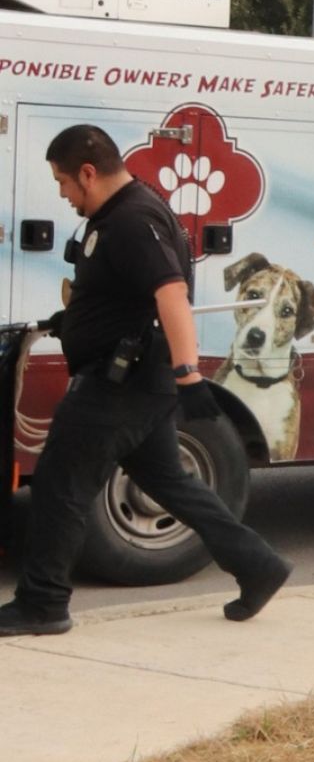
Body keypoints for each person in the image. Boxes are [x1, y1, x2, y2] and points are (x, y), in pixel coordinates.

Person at [0, 125, 291, 637]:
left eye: (64, 182)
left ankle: (43, 604)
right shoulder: (118, 215)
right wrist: (75, 322)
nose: (63, 194)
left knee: (62, 485)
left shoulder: (134, 219)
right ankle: (258, 565)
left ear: (89, 173)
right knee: (169, 481)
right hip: (133, 377)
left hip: (120, 384)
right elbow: (125, 295)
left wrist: (190, 375)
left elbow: (171, 294)